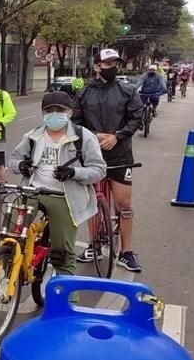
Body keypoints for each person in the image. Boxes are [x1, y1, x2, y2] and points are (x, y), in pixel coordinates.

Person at [9, 92, 106, 277]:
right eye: (49, 110)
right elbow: (13, 160)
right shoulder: (32, 136)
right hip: (32, 191)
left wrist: (74, 172)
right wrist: (21, 166)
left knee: (62, 253)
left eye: (59, 110)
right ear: (42, 113)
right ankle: (8, 277)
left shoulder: (83, 137)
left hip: (64, 197)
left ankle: (69, 299)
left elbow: (99, 170)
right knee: (11, 234)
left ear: (69, 112)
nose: (54, 114)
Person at [73, 48, 143, 273]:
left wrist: (117, 136)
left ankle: (127, 252)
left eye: (115, 63)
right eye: (107, 63)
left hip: (121, 157)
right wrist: (93, 136)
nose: (112, 67)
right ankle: (94, 244)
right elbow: (75, 121)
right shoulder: (83, 93)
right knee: (92, 205)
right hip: (92, 157)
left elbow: (136, 117)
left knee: (125, 206)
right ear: (96, 67)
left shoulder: (128, 91)